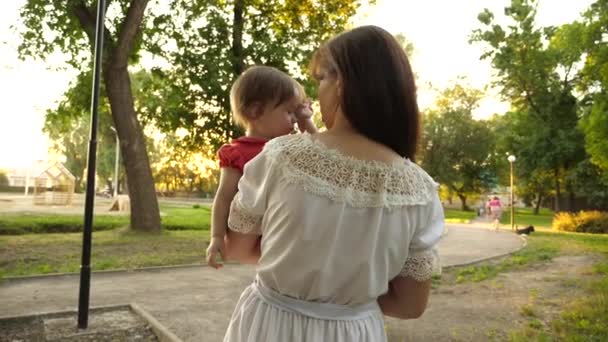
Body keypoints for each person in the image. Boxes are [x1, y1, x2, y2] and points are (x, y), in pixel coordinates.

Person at [222, 26, 444, 342]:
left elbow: (238, 248)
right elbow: (410, 304)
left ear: (342, 83)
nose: (318, 92)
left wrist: (300, 273)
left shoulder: (283, 157)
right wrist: (347, 296)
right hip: (355, 331)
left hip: (271, 326)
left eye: (321, 79)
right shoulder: (419, 191)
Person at [205, 65, 316, 269]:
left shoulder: (290, 147)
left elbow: (321, 153)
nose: (294, 119)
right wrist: (217, 237)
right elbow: (223, 197)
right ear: (256, 111)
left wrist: (306, 121)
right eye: (289, 112)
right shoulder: (238, 153)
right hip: (254, 239)